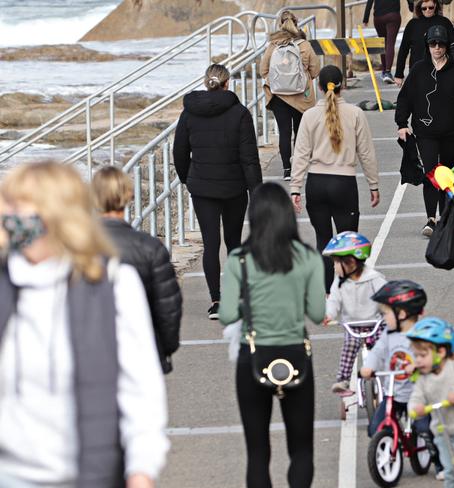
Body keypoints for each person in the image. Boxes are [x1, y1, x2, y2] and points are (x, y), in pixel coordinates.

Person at [0, 161, 168, 488]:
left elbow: (141, 389)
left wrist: (142, 470)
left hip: (91, 474)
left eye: (23, 206)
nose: (13, 217)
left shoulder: (114, 284)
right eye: (10, 205)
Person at [219, 182, 325, 488]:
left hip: (252, 356)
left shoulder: (239, 259)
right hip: (295, 353)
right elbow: (317, 313)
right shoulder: (308, 258)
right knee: (302, 449)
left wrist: (249, 304)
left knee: (257, 451)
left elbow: (226, 314)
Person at [173, 63, 262, 320]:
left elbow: (179, 151)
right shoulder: (240, 113)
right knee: (234, 242)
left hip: (202, 188)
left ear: (206, 83)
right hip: (234, 187)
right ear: (227, 83)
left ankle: (216, 301)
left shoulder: (189, 114)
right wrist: (256, 191)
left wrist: (187, 177)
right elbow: (249, 157)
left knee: (210, 243)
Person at [290, 65, 380, 291]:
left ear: (319, 87)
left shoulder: (309, 116)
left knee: (323, 240)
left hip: (316, 183)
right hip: (344, 183)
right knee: (347, 241)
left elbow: (300, 154)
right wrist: (373, 184)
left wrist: (295, 188)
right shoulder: (355, 114)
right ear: (343, 85)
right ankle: (347, 288)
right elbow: (366, 153)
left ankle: (329, 292)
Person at [92, 166, 183, 375]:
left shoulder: (78, 248)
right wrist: (164, 348)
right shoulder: (150, 247)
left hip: (93, 355)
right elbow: (168, 308)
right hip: (141, 352)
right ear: (129, 195)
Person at [395, 25, 454, 236]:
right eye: (433, 44)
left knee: (446, 174)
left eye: (441, 44)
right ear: (428, 45)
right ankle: (431, 219)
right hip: (425, 132)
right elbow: (405, 98)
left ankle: (446, 217)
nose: (437, 48)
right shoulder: (418, 70)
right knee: (431, 173)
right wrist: (402, 123)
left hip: (451, 131)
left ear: (446, 46)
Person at [360, 280, 445, 477]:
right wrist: (368, 367)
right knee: (375, 427)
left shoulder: (421, 335)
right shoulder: (388, 334)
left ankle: (441, 463)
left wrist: (418, 364)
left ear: (402, 314)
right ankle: (390, 442)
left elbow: (434, 356)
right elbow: (377, 351)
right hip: (395, 393)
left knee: (426, 428)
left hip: (419, 393)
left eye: (386, 313)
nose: (383, 317)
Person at [407, 318, 454, 488]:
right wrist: (415, 409)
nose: (418, 360)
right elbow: (415, 398)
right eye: (416, 356)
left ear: (441, 352)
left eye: (423, 355)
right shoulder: (423, 379)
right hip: (442, 433)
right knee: (451, 471)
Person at [322, 231, 387, 393]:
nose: (334, 266)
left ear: (350, 262)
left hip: (375, 323)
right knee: (348, 351)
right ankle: (343, 380)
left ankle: (389, 378)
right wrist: (329, 314)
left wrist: (391, 313)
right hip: (353, 325)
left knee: (384, 349)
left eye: (336, 262)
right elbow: (334, 300)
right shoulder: (339, 282)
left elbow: (387, 296)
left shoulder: (374, 278)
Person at [261, 10, 320, 181]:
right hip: (302, 96)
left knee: (284, 133)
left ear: (280, 25)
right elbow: (315, 70)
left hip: (279, 97)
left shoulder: (273, 45)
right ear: (297, 23)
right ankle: (300, 168)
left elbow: (263, 70)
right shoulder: (304, 45)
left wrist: (278, 82)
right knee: (300, 133)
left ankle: (287, 170)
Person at [395, 0, 454, 87]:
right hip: (417, 71)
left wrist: (448, 62)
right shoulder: (412, 24)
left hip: (441, 70)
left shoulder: (444, 22)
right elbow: (404, 49)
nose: (427, 10)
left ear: (436, 6)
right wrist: (399, 74)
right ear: (420, 8)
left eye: (431, 7)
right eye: (424, 8)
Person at [362, 0, 401, 83]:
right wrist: (411, 6)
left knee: (383, 43)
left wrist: (366, 18)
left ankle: (384, 72)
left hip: (378, 17)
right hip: (393, 15)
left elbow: (370, 1)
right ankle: (387, 72)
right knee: (390, 43)